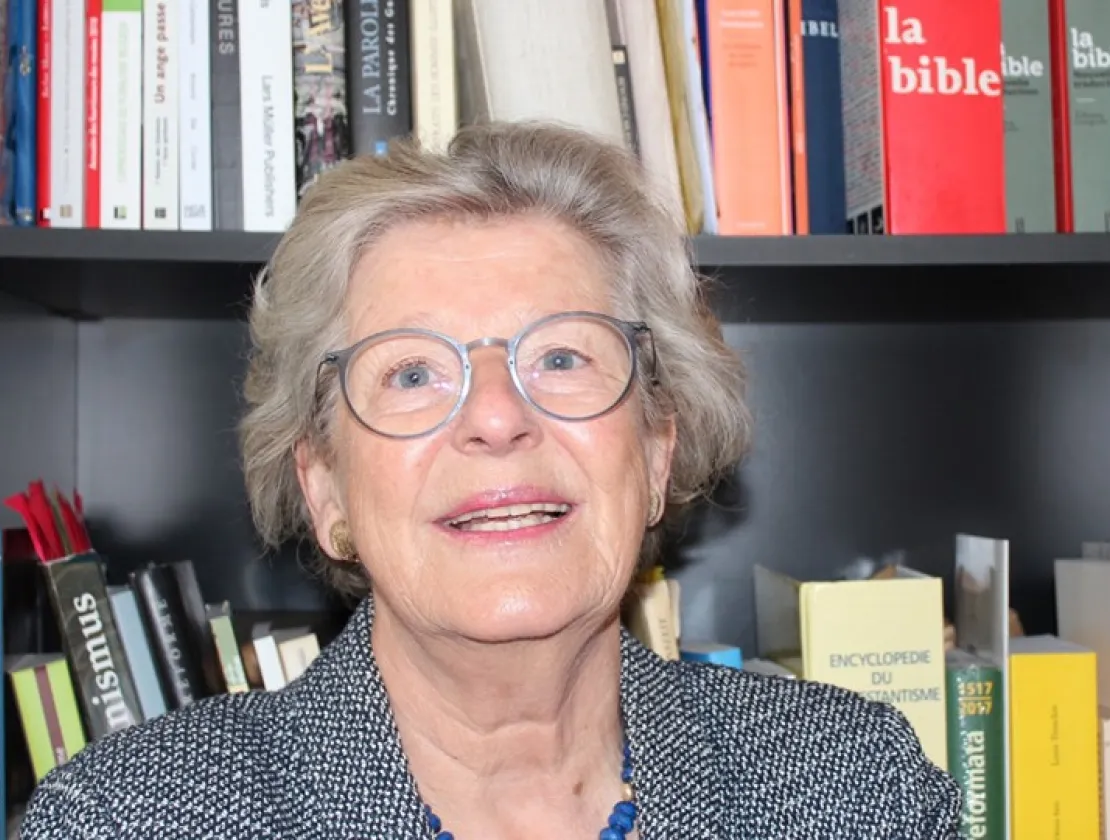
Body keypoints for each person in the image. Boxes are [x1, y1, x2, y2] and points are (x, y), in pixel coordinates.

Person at [20, 121, 961, 839]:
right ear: (326, 489)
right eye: (413, 373)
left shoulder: (856, 789)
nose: (498, 417)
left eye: (561, 357)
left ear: (656, 452)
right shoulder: (125, 820)